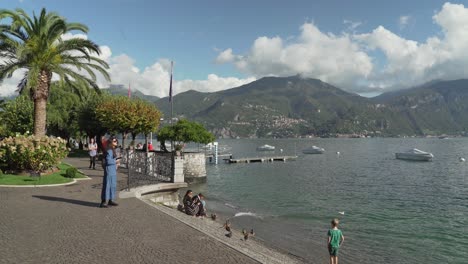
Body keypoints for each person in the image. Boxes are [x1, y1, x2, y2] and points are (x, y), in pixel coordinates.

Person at [100, 136, 120, 208]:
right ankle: (103, 202)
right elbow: (108, 161)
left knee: (113, 185)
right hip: (109, 170)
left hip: (113, 170)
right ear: (111, 142)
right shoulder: (109, 150)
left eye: (116, 141)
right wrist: (115, 161)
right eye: (114, 141)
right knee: (107, 185)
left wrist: (117, 163)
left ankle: (111, 200)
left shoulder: (113, 149)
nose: (116, 142)